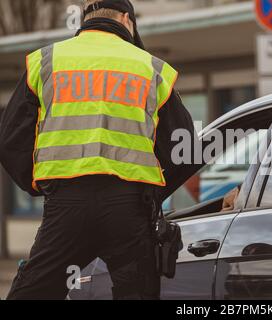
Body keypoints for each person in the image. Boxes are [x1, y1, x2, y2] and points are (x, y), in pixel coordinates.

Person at [0, 0, 196, 300]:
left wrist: (38, 184)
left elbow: (10, 138)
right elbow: (184, 147)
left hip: (65, 206)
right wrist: (154, 192)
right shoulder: (152, 68)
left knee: (33, 292)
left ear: (85, 20)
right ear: (126, 20)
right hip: (128, 210)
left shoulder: (46, 60)